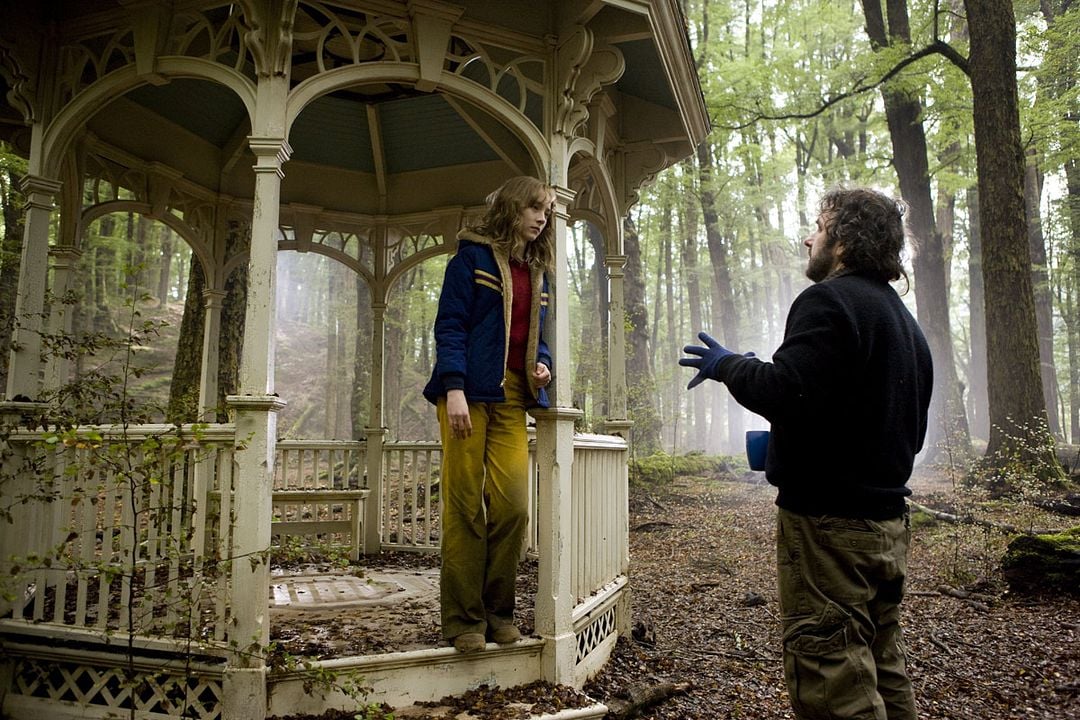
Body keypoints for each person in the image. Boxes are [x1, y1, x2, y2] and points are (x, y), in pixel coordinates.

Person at [680, 187, 933, 720]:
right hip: (886, 527)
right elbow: (854, 414)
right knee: (881, 664)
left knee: (831, 673)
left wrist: (728, 365)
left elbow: (785, 391)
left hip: (830, 528)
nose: (808, 236)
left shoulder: (829, 301)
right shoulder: (902, 321)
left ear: (842, 242)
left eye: (818, 225)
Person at [422, 176, 555, 654]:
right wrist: (453, 389)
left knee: (514, 507)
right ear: (513, 208)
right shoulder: (471, 258)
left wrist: (544, 365)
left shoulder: (539, 270)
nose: (542, 217)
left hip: (515, 398)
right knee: (464, 507)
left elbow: (538, 337)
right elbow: (451, 325)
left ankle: (499, 612)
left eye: (547, 210)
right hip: (466, 396)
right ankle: (464, 621)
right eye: (535, 208)